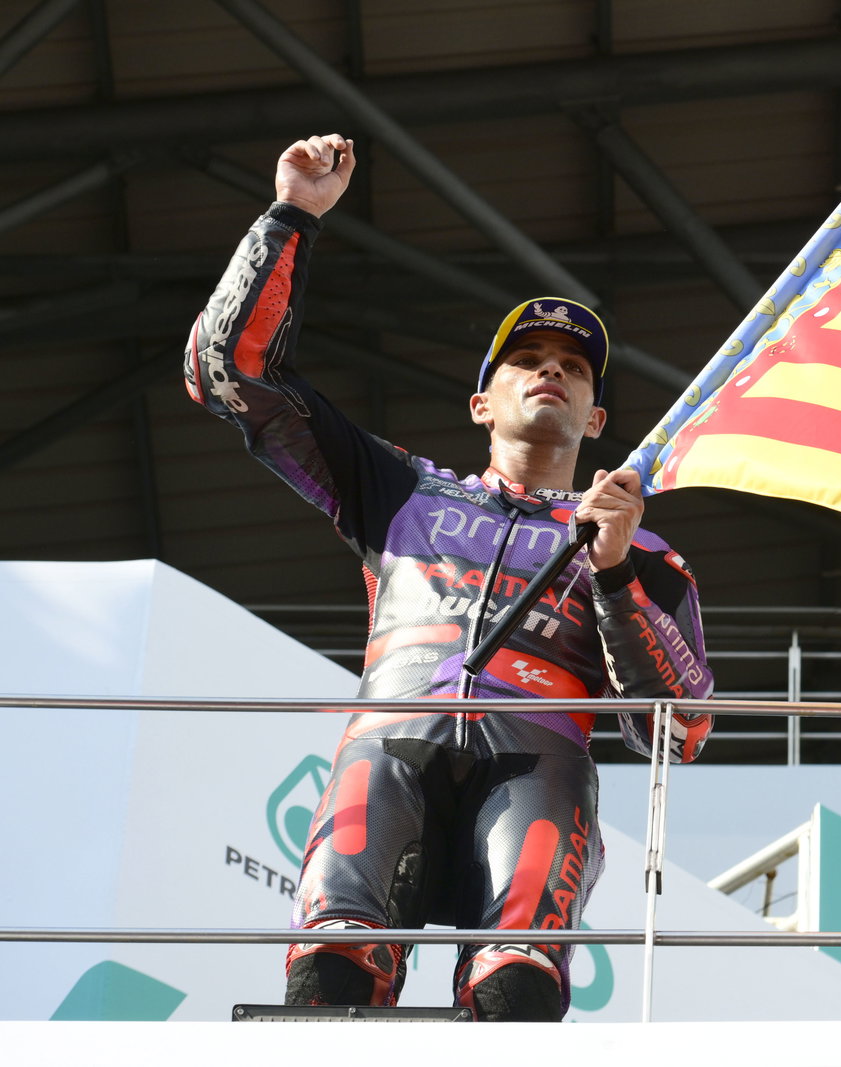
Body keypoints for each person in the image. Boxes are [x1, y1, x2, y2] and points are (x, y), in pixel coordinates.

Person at [184, 133, 713, 1021]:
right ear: (482, 403)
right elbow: (227, 375)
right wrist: (290, 216)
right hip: (388, 741)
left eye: (575, 367)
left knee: (519, 972)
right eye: (529, 360)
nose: (553, 370)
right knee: (332, 957)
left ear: (596, 416)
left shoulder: (640, 547)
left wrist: (614, 573)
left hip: (538, 762)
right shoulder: (401, 487)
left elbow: (682, 729)